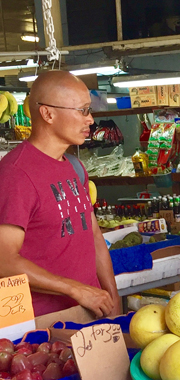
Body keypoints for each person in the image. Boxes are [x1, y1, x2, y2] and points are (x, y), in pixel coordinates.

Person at [0, 71, 119, 318]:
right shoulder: (16, 175)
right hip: (43, 325)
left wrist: (111, 295)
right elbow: (4, 260)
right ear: (48, 113)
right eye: (83, 110)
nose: (91, 120)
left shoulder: (74, 166)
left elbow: (94, 235)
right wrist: (75, 290)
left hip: (89, 313)